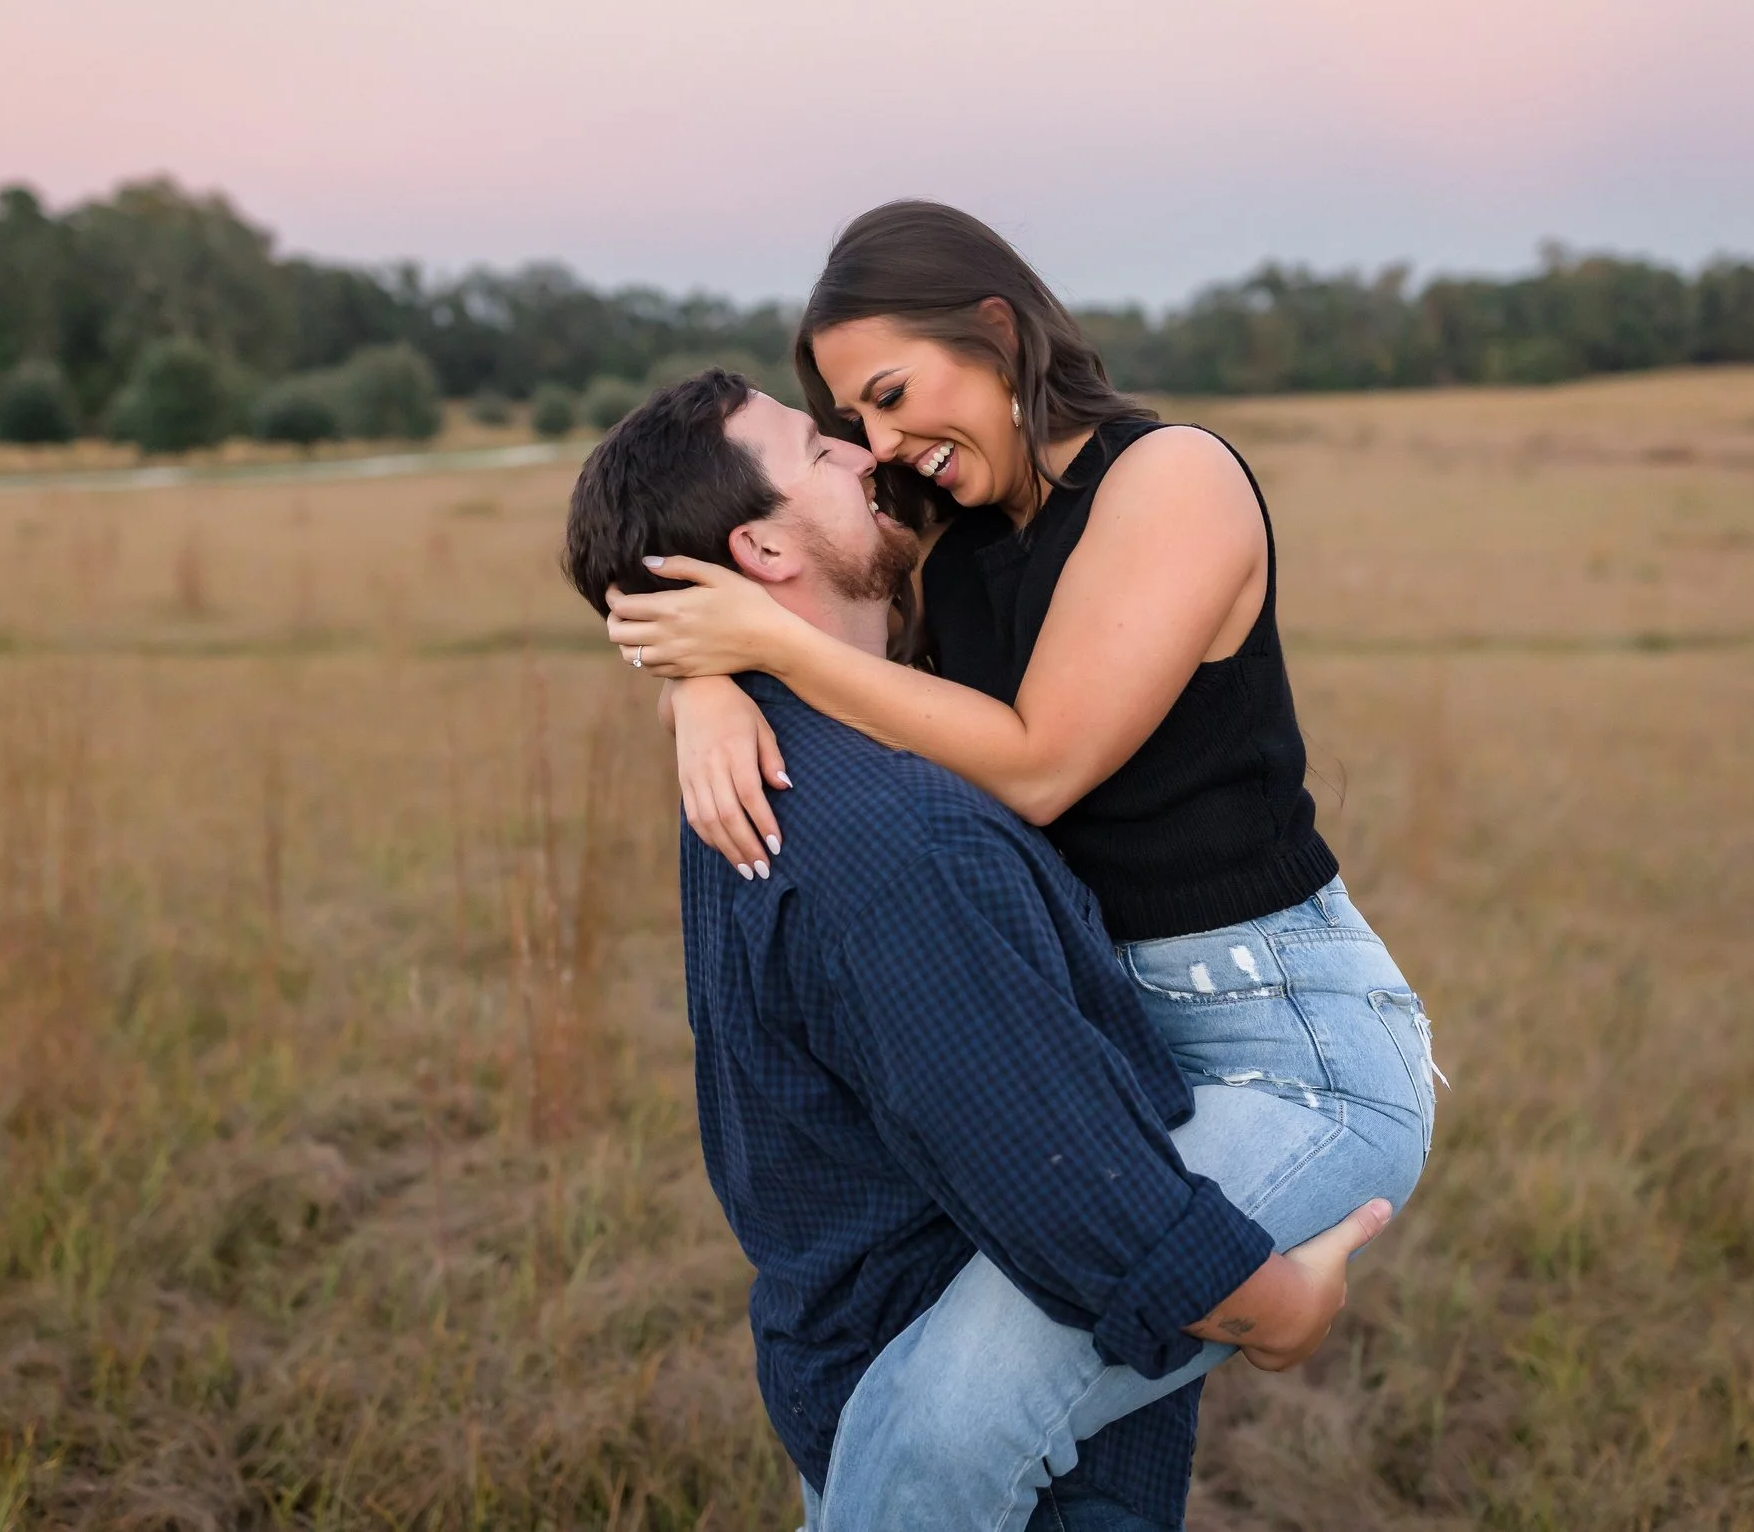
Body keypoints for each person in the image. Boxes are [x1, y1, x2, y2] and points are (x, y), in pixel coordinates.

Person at [601, 203, 1442, 1528]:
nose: (881, 446)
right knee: (908, 1408)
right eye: (849, 421)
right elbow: (810, 588)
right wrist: (701, 684)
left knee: (945, 1422)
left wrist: (761, 648)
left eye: (889, 395)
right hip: (1104, 1041)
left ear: (993, 329)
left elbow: (1042, 762)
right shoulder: (950, 524)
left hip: (1282, 1047)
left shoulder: (1170, 480)